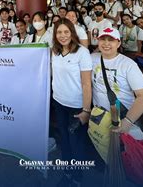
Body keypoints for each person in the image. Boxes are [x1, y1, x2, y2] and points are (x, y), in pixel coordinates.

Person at [51, 18, 92, 186]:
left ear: (72, 33)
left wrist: (86, 110)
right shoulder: (54, 51)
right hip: (59, 102)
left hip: (76, 107)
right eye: (59, 32)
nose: (62, 36)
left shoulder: (82, 52)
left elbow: (86, 83)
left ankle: (77, 178)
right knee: (65, 141)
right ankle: (67, 173)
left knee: (76, 144)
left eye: (66, 32)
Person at [91, 27, 143, 140]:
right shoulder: (91, 58)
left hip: (122, 117)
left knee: (124, 154)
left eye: (111, 40)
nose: (106, 43)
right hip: (99, 116)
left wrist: (128, 121)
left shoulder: (128, 65)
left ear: (118, 43)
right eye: (102, 39)